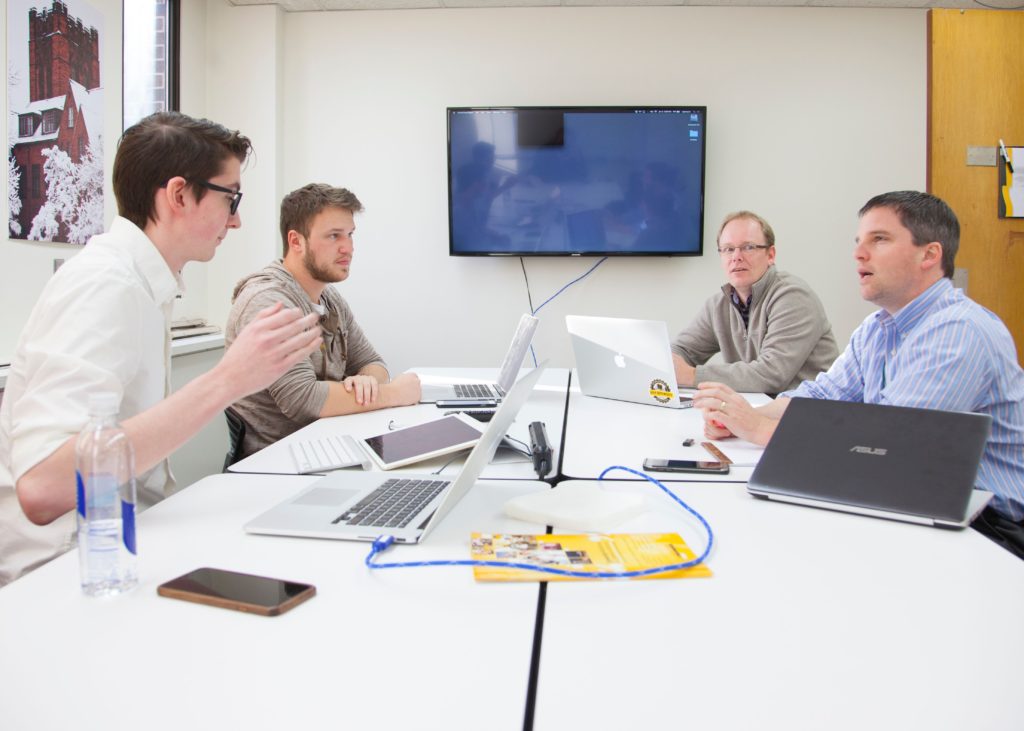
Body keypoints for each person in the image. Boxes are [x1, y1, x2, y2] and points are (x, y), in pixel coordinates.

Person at [0, 112, 323, 587]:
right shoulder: (105, 284)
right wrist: (228, 380)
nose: (236, 220)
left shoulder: (144, 284)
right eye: (231, 198)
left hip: (123, 547)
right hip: (67, 572)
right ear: (178, 195)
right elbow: (43, 487)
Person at [695, 191, 1024, 558]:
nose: (858, 254)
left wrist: (759, 429)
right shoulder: (877, 328)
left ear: (929, 255)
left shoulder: (959, 331)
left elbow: (883, 449)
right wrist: (744, 417)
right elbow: (822, 396)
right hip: (920, 500)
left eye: (878, 240)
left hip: (990, 529)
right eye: (858, 241)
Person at [224, 184, 420, 461]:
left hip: (330, 448)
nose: (348, 248)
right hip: (278, 464)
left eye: (350, 235)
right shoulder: (268, 301)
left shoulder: (328, 297)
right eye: (333, 236)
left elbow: (372, 362)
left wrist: (366, 383)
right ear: (296, 241)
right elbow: (304, 399)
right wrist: (394, 394)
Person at [672, 211, 838, 394]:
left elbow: (771, 375)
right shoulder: (718, 305)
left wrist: (691, 375)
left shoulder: (794, 297)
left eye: (748, 247)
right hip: (758, 407)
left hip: (810, 409)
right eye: (728, 249)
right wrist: (666, 362)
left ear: (770, 255)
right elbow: (682, 350)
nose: (736, 257)